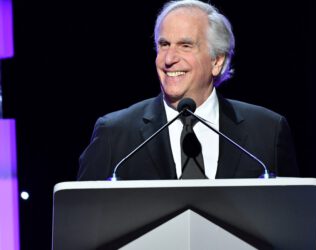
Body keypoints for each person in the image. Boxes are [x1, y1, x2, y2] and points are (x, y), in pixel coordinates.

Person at [78, 0, 298, 181]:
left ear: (217, 61)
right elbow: (82, 223)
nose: (169, 59)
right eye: (164, 45)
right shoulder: (115, 134)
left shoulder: (268, 132)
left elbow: (294, 222)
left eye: (185, 45)